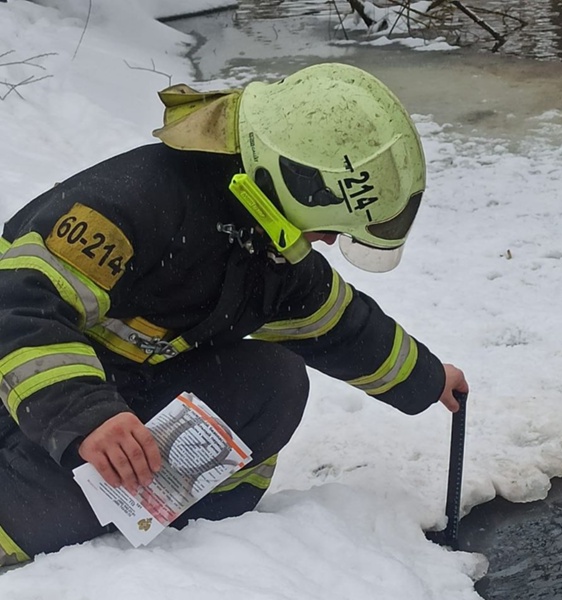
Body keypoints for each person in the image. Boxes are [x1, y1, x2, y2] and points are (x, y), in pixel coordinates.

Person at [0, 63, 468, 566]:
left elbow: (341, 328)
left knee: (273, 380)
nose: (331, 239)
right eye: (332, 223)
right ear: (298, 181)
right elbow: (18, 307)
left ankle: (182, 542)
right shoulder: (132, 203)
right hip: (28, 410)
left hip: (112, 405)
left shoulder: (264, 248)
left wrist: (426, 377)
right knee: (42, 515)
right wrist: (85, 417)